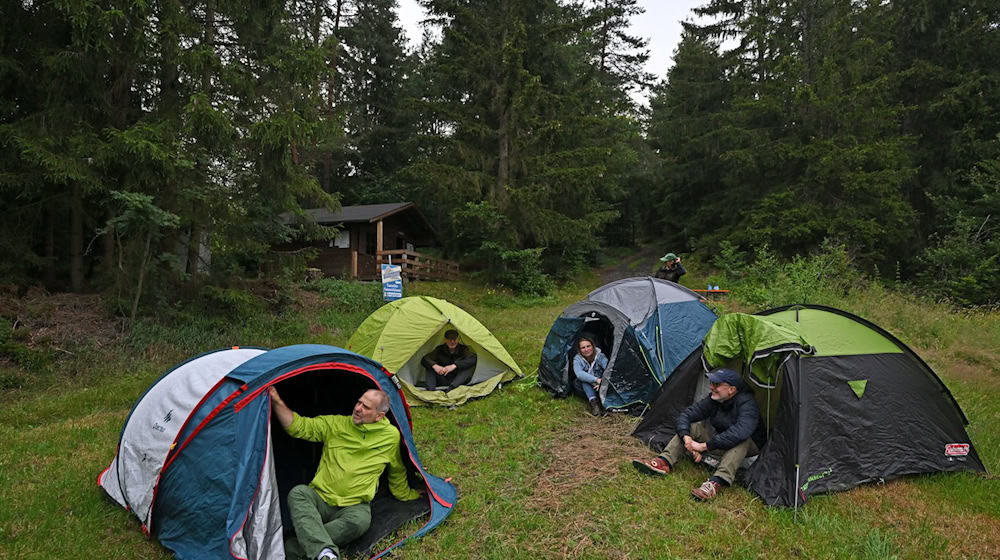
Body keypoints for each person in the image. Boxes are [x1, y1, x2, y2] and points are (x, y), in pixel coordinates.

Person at [270, 386, 422, 560]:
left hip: (354, 506)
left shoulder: (390, 436)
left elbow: (397, 470)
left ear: (379, 416)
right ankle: (324, 553)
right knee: (298, 493)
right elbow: (299, 427)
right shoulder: (336, 424)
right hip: (320, 498)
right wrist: (276, 400)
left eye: (366, 407)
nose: (358, 408)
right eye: (358, 402)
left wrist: (409, 495)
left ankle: (295, 548)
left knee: (360, 522)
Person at [631, 368, 765, 501]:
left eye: (716, 384)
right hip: (720, 440)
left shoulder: (748, 404)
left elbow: (740, 432)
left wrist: (704, 447)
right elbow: (686, 415)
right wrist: (686, 438)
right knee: (692, 426)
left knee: (742, 440)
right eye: (711, 383)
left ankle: (716, 482)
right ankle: (664, 462)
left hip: (747, 447)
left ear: (732, 390)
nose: (711, 387)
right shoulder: (714, 399)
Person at [573, 336, 608, 417]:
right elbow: (579, 374)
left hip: (601, 386)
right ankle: (594, 403)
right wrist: (596, 380)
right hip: (583, 387)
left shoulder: (600, 356)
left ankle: (600, 402)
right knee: (583, 380)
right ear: (580, 350)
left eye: (588, 346)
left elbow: (609, 370)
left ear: (593, 346)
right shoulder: (577, 359)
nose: (586, 349)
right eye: (583, 347)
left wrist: (602, 383)